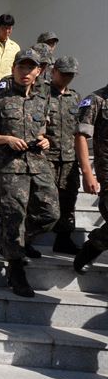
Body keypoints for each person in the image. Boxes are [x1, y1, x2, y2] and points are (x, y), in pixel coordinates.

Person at [0, 49, 60, 297]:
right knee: (13, 218)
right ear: (13, 69)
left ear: (38, 71)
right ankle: (16, 272)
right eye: (21, 67)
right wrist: (6, 139)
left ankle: (15, 242)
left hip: (38, 165)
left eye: (30, 68)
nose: (25, 72)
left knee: (51, 214)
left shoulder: (42, 100)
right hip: (11, 168)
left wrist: (44, 140)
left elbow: (42, 129)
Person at [45, 57, 82, 254]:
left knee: (69, 200)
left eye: (71, 74)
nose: (67, 78)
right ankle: (25, 240)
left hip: (69, 158)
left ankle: (63, 239)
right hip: (46, 157)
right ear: (54, 71)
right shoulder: (41, 94)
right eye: (64, 73)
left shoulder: (75, 98)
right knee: (43, 202)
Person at [73, 82, 108, 273]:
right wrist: (87, 173)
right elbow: (80, 135)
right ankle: (92, 248)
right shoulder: (96, 99)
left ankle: (93, 246)